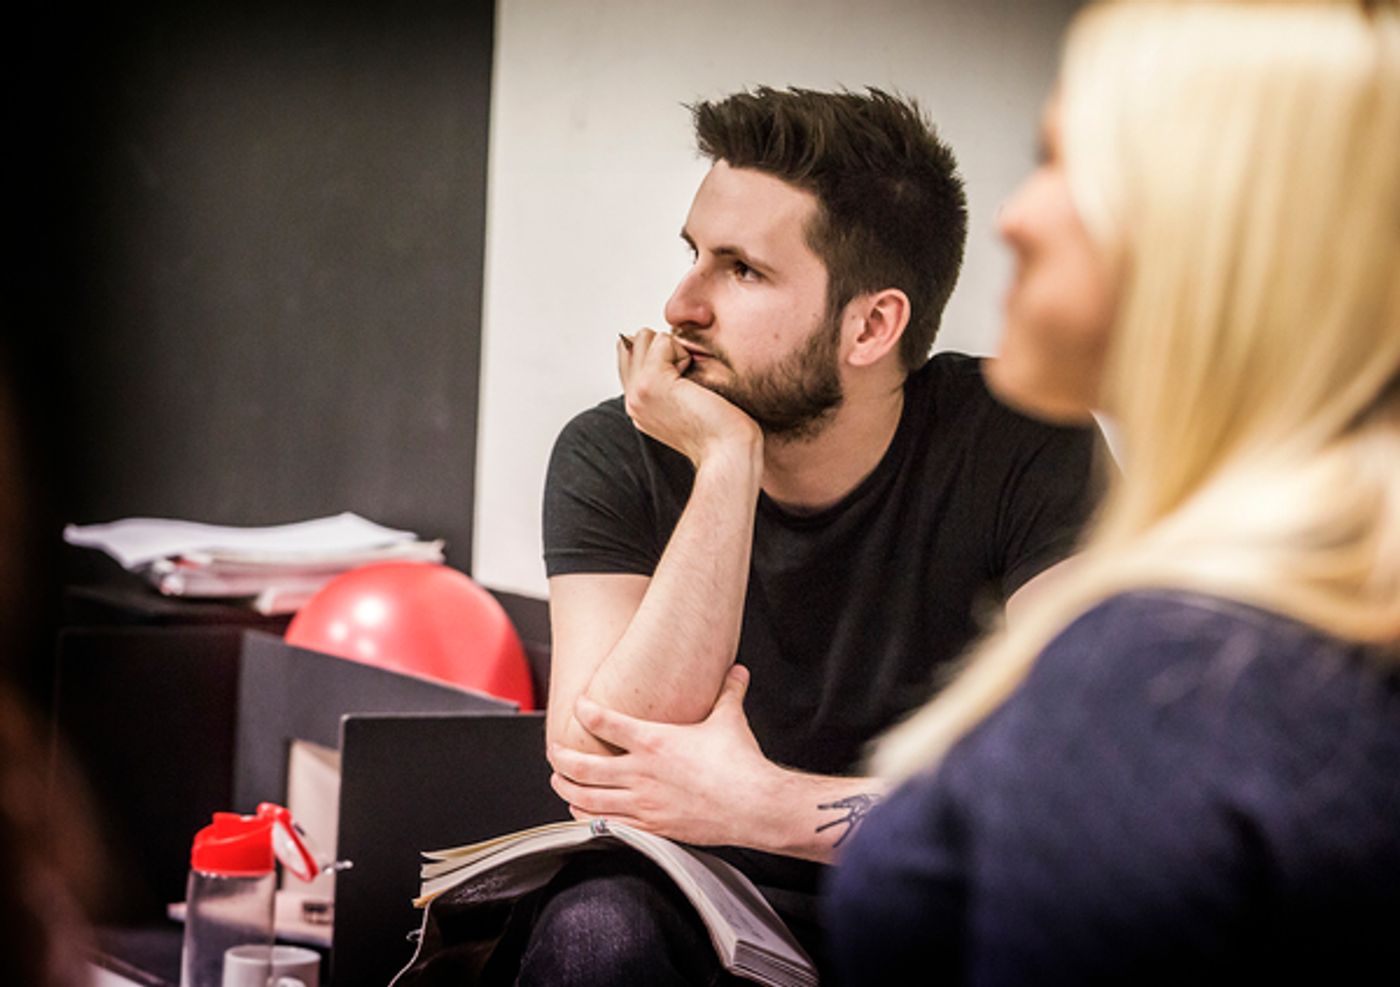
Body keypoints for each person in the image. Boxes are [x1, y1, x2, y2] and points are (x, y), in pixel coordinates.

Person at [824, 0, 1400, 982]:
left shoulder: (1174, 666)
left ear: (1216, 227)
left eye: (1060, 161)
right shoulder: (1333, 596)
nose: (1015, 214)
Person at [526, 88, 1105, 983]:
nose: (681, 305)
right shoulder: (617, 452)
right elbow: (603, 770)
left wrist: (762, 804)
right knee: (597, 933)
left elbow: (1082, 800)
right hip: (704, 915)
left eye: (742, 271)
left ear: (872, 325)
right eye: (692, 256)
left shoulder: (1025, 443)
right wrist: (726, 462)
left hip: (934, 913)